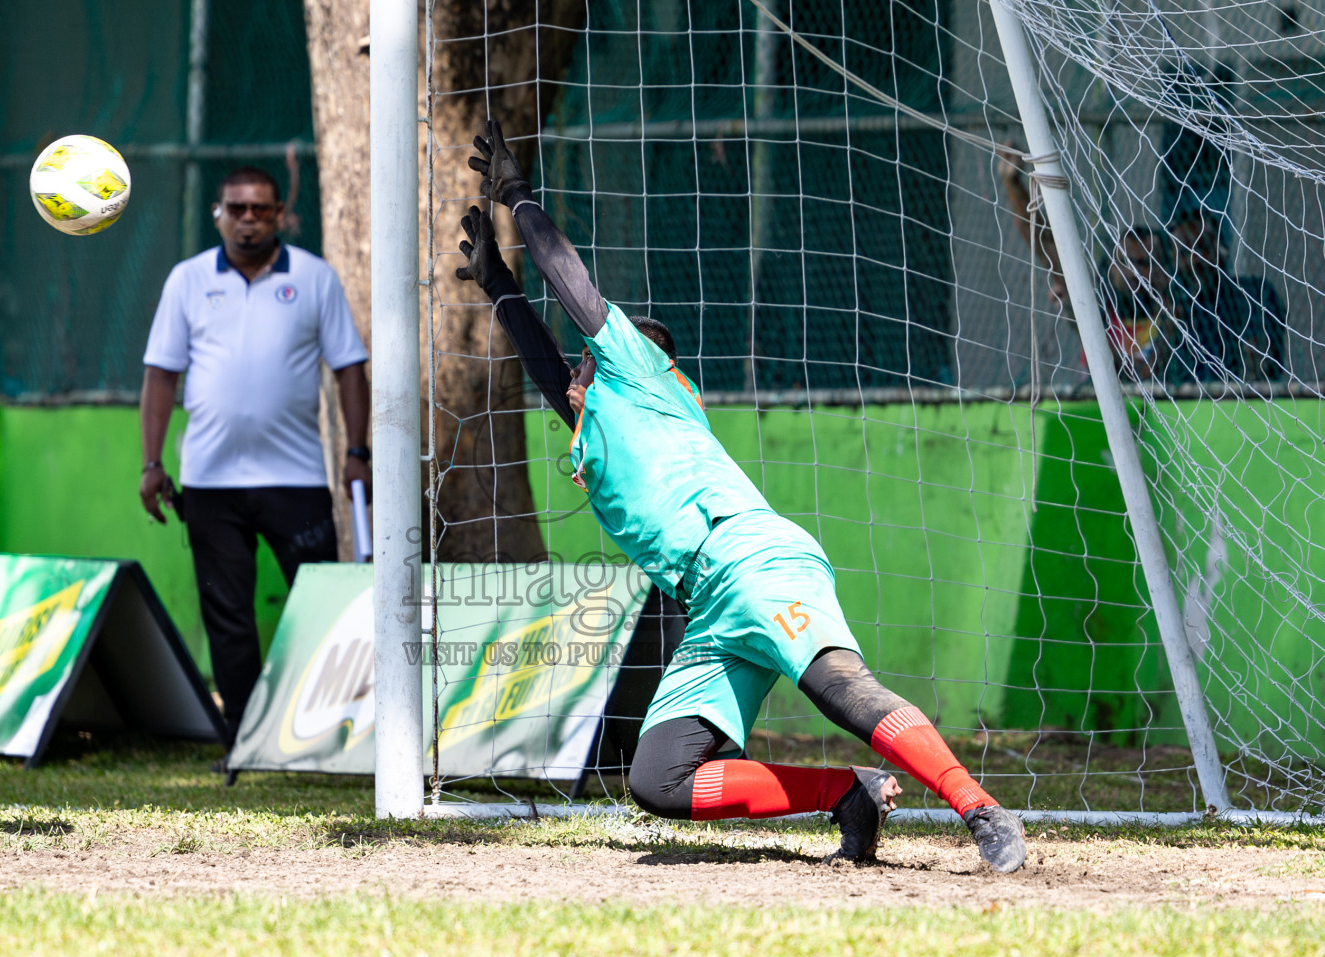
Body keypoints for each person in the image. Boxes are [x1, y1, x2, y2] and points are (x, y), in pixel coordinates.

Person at [463, 121, 1026, 871]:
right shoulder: (599, 422)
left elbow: (572, 283)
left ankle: (980, 810)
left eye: (605, 349)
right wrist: (498, 282)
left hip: (752, 557)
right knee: (657, 776)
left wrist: (519, 196)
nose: (586, 362)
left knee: (840, 691)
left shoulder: (643, 379)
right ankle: (847, 794)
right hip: (710, 602)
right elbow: (544, 363)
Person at [140, 166, 371, 741]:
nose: (248, 218)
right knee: (228, 617)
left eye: (261, 209)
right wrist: (151, 464)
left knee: (320, 607)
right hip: (209, 482)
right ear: (217, 212)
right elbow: (161, 376)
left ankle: (330, 734)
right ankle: (242, 738)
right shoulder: (187, 280)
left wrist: (357, 451)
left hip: (296, 480)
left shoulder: (315, 279)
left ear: (279, 216)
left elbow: (349, 368)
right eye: (237, 208)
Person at [997, 148, 1180, 383]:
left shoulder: (1176, 311)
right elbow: (1047, 243)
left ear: (1162, 270)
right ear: (1111, 265)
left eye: (1143, 264)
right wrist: (1012, 184)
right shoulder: (1093, 299)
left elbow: (1141, 376)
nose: (1132, 272)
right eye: (1125, 262)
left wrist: (1169, 317)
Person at [1167, 208, 1286, 383]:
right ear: (1173, 259)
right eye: (1185, 252)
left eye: (1203, 248)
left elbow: (1258, 364)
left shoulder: (1253, 294)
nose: (1195, 260)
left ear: (1221, 249)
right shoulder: (1172, 305)